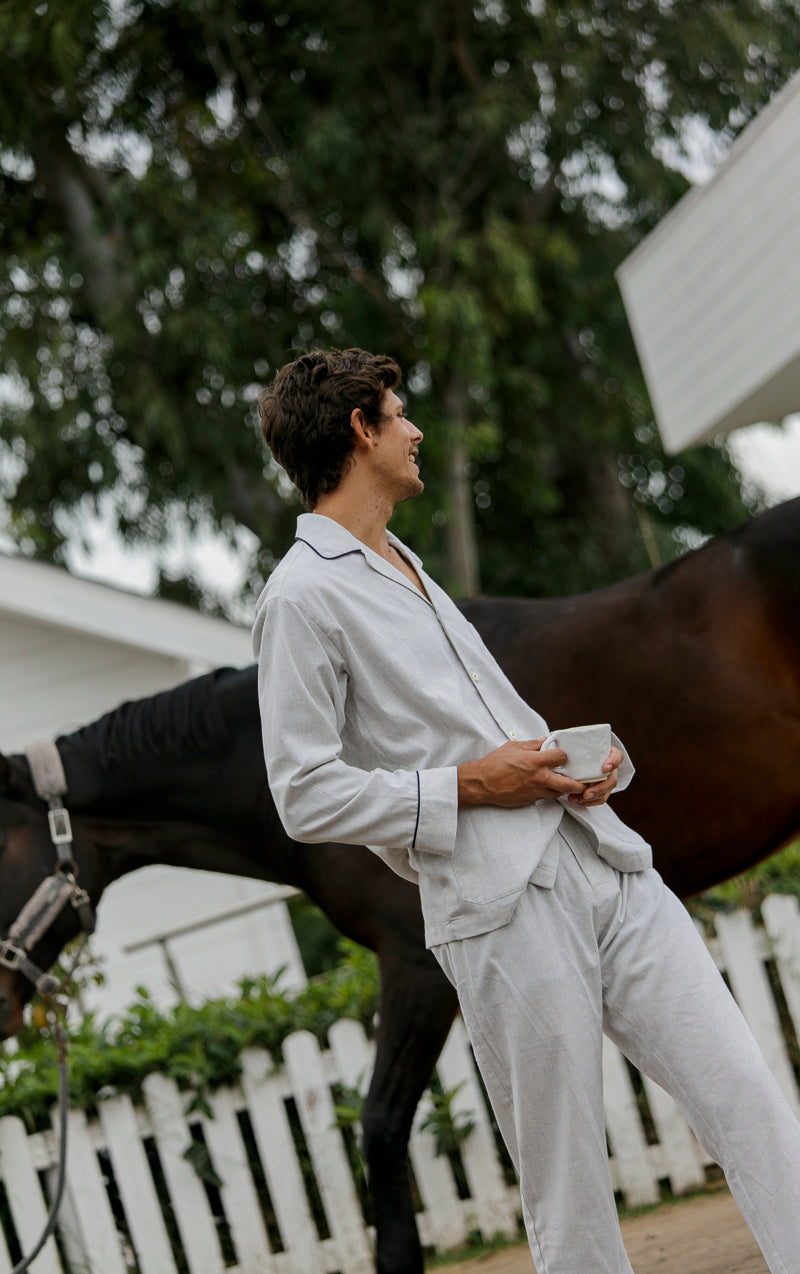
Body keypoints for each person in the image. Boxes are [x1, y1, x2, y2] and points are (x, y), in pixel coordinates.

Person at [252, 347, 800, 1274]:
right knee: (569, 1184)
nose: (416, 431)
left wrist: (579, 764)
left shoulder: (406, 562)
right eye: (399, 412)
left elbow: (488, 730)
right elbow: (302, 792)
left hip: (605, 865)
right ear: (361, 431)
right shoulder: (300, 599)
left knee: (747, 1094)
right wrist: (472, 785)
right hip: (499, 909)